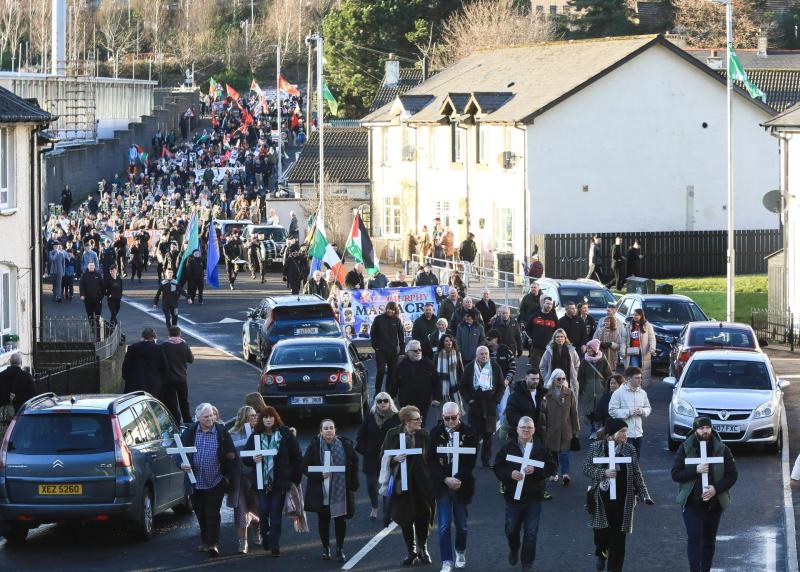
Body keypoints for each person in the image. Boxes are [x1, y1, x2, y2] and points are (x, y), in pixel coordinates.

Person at [584, 418, 653, 572]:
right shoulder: (596, 447)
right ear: (612, 433)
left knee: (619, 542)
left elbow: (636, 473)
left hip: (623, 501)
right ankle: (601, 553)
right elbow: (586, 468)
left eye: (626, 431)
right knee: (601, 535)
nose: (625, 434)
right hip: (601, 500)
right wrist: (603, 472)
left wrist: (644, 495)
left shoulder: (629, 449)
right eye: (622, 431)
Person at [672, 416, 738, 572]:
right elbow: (675, 474)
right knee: (695, 537)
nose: (705, 431)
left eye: (708, 428)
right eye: (701, 428)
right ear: (695, 430)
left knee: (709, 540)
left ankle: (706, 569)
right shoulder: (685, 448)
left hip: (714, 503)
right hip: (692, 502)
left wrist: (715, 489)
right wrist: (696, 470)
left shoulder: (722, 448)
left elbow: (732, 475)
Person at [493, 416, 555, 571]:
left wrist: (536, 470)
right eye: (523, 428)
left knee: (531, 533)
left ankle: (527, 564)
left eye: (529, 428)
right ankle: (514, 548)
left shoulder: (541, 448)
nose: (526, 430)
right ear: (517, 429)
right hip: (513, 496)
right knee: (511, 530)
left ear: (534, 430)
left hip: (534, 496)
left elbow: (551, 467)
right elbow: (498, 467)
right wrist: (510, 473)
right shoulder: (508, 448)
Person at [241, 406, 303, 556]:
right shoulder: (256, 436)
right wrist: (252, 458)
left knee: (275, 515)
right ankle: (265, 534)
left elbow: (297, 457)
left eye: (271, 417)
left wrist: (294, 478)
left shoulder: (285, 435)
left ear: (276, 418)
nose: (268, 420)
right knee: (263, 511)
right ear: (262, 420)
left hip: (279, 482)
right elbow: (245, 457)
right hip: (262, 482)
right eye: (265, 417)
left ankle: (274, 545)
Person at [179, 403, 238, 557]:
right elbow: (178, 452)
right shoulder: (190, 432)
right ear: (198, 418)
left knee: (212, 513)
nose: (210, 419)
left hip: (216, 480)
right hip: (195, 481)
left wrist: (229, 470)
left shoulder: (222, 431)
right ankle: (205, 541)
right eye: (206, 417)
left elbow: (231, 453)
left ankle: (213, 544)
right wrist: (181, 464)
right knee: (200, 513)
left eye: (212, 415)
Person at [380, 405, 434, 566]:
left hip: (422, 482)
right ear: (407, 421)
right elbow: (383, 455)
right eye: (417, 419)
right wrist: (394, 459)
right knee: (405, 517)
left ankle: (423, 548)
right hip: (402, 482)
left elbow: (431, 457)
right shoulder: (393, 434)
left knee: (424, 516)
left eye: (420, 418)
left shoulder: (424, 435)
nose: (420, 421)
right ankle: (411, 551)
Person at [427, 402, 479, 572]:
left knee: (462, 525)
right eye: (446, 418)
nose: (450, 421)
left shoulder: (469, 433)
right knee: (443, 525)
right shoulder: (435, 433)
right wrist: (445, 479)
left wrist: (457, 479)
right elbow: (431, 461)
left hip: (461, 484)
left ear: (460, 415)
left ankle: (460, 551)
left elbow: (471, 461)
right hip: (443, 485)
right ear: (442, 416)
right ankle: (447, 561)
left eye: (453, 418)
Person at [303, 419, 359, 562]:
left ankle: (340, 548)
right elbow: (304, 467)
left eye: (331, 428)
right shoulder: (314, 446)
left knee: (340, 520)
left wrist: (353, 484)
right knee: (324, 520)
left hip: (340, 489)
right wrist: (319, 475)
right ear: (321, 431)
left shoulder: (345, 445)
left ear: (335, 430)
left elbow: (354, 463)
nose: (329, 431)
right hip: (322, 490)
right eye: (326, 428)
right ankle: (325, 547)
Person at [356, 392, 401, 521]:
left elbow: (402, 437)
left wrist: (397, 454)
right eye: (379, 401)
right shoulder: (370, 417)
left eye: (385, 400)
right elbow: (360, 436)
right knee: (371, 484)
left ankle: (388, 511)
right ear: (376, 403)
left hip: (390, 458)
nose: (382, 403)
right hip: (371, 457)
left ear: (390, 402)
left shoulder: (397, 418)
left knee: (387, 485)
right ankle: (375, 507)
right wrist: (365, 451)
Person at [459, 346, 503, 468]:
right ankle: (471, 461)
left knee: (488, 438)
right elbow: (462, 387)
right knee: (473, 437)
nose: (484, 356)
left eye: (486, 354)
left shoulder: (494, 366)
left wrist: (496, 400)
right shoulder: (469, 368)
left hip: (490, 407)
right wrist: (469, 400)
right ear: (477, 355)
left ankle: (486, 461)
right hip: (475, 407)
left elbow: (501, 385)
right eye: (482, 354)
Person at [229, 406, 261, 554]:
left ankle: (257, 529)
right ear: (244, 417)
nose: (255, 418)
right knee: (241, 509)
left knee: (256, 507)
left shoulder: (259, 433)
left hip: (255, 476)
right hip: (239, 478)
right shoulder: (233, 435)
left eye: (256, 415)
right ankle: (243, 542)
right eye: (252, 416)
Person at [540, 369, 579, 485]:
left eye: (563, 378)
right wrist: (542, 430)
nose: (561, 381)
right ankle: (554, 472)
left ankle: (565, 474)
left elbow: (574, 412)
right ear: (553, 379)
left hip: (566, 429)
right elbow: (542, 413)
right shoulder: (546, 393)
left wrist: (576, 429)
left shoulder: (569, 393)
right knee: (553, 453)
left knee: (564, 453)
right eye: (558, 378)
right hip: (551, 429)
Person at [391, 340, 439, 424]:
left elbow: (436, 382)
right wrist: (392, 396)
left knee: (420, 425)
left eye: (420, 350)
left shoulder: (429, 364)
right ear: (408, 352)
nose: (418, 352)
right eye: (415, 350)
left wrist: (436, 397)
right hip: (406, 403)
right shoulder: (401, 365)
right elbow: (394, 382)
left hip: (423, 402)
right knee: (407, 426)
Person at [608, 367, 651, 456]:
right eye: (637, 378)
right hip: (624, 435)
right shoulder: (618, 393)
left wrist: (642, 411)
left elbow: (648, 408)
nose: (640, 380)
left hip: (639, 434)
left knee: (635, 463)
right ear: (628, 379)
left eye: (641, 377)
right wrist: (629, 412)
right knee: (626, 465)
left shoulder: (643, 393)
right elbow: (612, 411)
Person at [579, 339, 613, 438]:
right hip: (588, 392)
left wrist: (605, 388)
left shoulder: (603, 360)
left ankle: (600, 431)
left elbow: (609, 375)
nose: (587, 350)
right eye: (587, 348)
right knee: (589, 412)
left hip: (601, 391)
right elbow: (580, 376)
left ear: (595, 349)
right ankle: (592, 430)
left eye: (590, 348)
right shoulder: (584, 361)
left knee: (600, 411)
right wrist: (584, 387)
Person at [161, 326, 195, 424]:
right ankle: (187, 419)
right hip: (181, 378)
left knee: (172, 402)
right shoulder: (184, 345)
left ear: (169, 334)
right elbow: (191, 359)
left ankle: (176, 421)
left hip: (169, 379)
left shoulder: (164, 346)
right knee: (184, 401)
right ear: (179, 334)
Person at [370, 301, 404, 394]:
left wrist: (402, 352)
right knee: (380, 371)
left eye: (393, 310)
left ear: (395, 310)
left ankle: (389, 393)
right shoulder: (378, 319)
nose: (390, 311)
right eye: (389, 309)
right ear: (386, 309)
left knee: (391, 374)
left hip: (393, 352)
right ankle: (377, 392)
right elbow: (373, 333)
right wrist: (375, 346)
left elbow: (401, 336)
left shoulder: (397, 320)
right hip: (381, 351)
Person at [122, 327, 168, 397]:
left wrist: (128, 379)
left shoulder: (132, 348)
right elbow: (165, 367)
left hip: (134, 385)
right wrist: (161, 382)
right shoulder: (159, 349)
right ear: (153, 337)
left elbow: (125, 366)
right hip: (153, 385)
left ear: (143, 336)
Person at [504, 369, 545, 441]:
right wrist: (526, 427)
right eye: (533, 379)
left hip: (539, 435)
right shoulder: (516, 395)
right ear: (526, 378)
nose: (535, 381)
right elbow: (511, 414)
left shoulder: (543, 393)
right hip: (522, 435)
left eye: (537, 379)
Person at [539, 328, 581, 397]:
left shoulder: (571, 350)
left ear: (565, 338)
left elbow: (577, 364)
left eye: (562, 336)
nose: (560, 338)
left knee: (568, 404)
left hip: (569, 382)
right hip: (553, 382)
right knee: (554, 404)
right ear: (554, 339)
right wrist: (546, 377)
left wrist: (575, 375)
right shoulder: (549, 350)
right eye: (557, 337)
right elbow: (542, 366)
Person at [620, 308, 657, 387]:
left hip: (644, 352)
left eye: (636, 315)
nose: (635, 316)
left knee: (644, 369)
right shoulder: (629, 325)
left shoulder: (647, 325)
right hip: (633, 351)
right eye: (634, 315)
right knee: (635, 369)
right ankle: (636, 385)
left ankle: (642, 385)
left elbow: (652, 338)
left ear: (641, 315)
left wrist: (652, 348)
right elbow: (623, 339)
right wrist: (622, 351)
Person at [525, 297, 557, 368]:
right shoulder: (535, 315)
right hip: (536, 348)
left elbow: (557, 331)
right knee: (536, 369)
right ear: (543, 304)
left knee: (548, 369)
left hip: (549, 349)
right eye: (547, 303)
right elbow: (527, 328)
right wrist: (532, 338)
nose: (549, 306)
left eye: (551, 304)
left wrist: (553, 341)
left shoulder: (554, 317)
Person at [435, 334, 464, 408]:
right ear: (443, 343)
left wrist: (460, 382)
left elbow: (461, 369)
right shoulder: (437, 354)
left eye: (450, 340)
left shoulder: (457, 353)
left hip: (454, 383)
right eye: (446, 341)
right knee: (444, 406)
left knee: (455, 405)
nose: (449, 342)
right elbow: (434, 370)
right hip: (442, 384)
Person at [79, 260, 104, 327]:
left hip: (97, 298)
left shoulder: (98, 274)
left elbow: (102, 285)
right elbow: (81, 286)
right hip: (88, 299)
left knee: (97, 315)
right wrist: (82, 295)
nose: (91, 267)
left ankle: (98, 326)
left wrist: (101, 295)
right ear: (88, 266)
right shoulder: (84, 275)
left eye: (93, 265)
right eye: (90, 265)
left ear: (94, 266)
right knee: (90, 315)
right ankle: (92, 326)